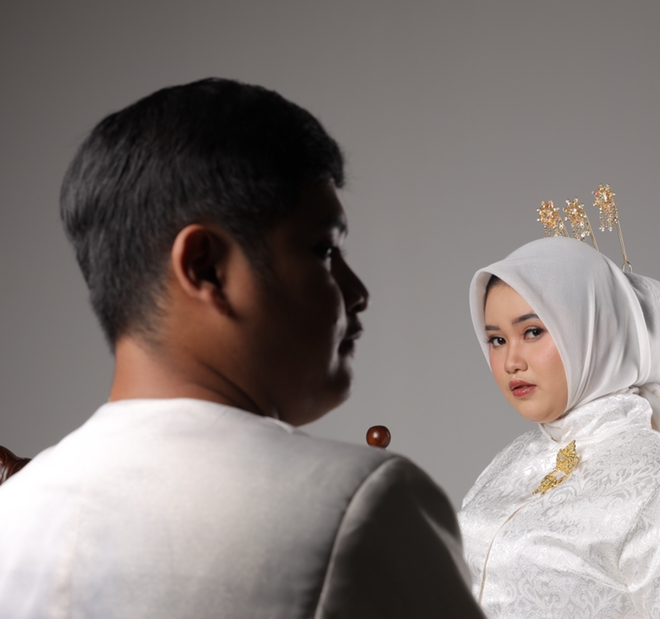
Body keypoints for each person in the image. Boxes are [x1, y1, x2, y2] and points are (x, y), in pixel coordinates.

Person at [0, 78, 484, 618]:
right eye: (325, 250)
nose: (357, 292)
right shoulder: (361, 505)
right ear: (204, 266)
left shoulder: (14, 515)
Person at [458, 236, 660, 618]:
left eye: (533, 331)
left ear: (593, 331)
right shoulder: (509, 463)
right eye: (496, 339)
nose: (511, 361)